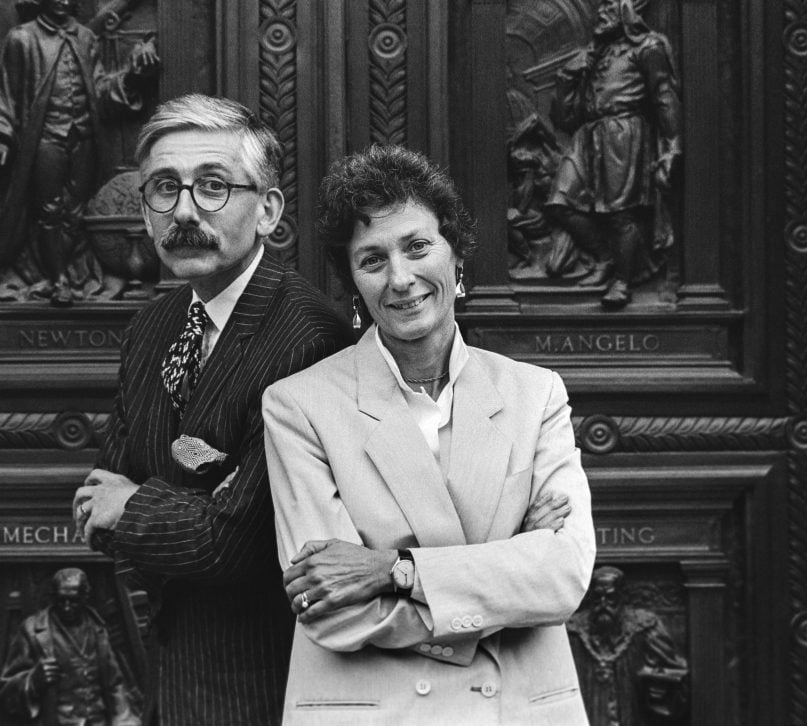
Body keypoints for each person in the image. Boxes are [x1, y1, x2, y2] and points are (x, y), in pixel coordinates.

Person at [262, 145, 596, 724]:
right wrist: (509, 569)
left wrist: (393, 570)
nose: (401, 278)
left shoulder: (534, 394)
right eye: (372, 260)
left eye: (417, 247)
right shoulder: (299, 406)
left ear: (457, 256)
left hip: (517, 708)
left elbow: (562, 577)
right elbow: (329, 607)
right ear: (354, 285)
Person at [71, 94, 354, 725]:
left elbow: (235, 546)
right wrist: (179, 507)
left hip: (266, 685)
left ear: (269, 211)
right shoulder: (154, 325)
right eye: (164, 189)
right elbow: (97, 503)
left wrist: (137, 500)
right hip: (172, 676)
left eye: (213, 187)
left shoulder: (309, 338)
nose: (185, 211)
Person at [0, 0, 158, 304]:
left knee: (76, 212)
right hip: (46, 137)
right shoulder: (22, 39)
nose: (64, 1)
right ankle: (57, 279)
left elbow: (100, 89)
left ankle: (75, 274)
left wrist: (130, 78)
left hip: (84, 137)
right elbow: (5, 93)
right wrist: (0, 137)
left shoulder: (85, 38)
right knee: (49, 210)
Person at [546, 0, 681, 308]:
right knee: (560, 202)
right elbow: (566, 119)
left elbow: (663, 94)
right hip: (588, 136)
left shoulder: (647, 47)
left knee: (622, 213)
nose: (601, 13)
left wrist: (673, 144)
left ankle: (622, 280)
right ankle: (606, 258)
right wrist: (568, 77)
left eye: (608, 6)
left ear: (627, 10)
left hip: (624, 133)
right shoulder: (599, 53)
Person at [0, 568, 141, 726]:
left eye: (73, 600)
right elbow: (3, 692)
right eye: (61, 600)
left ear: (84, 598)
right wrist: (33, 681)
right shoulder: (32, 630)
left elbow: (114, 683)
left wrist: (124, 719)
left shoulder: (98, 628)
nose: (66, 607)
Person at [567, 566, 689, 726]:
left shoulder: (645, 627)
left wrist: (660, 690)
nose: (603, 605)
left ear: (622, 597)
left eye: (610, 598)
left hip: (631, 714)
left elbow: (675, 674)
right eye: (597, 598)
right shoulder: (574, 630)